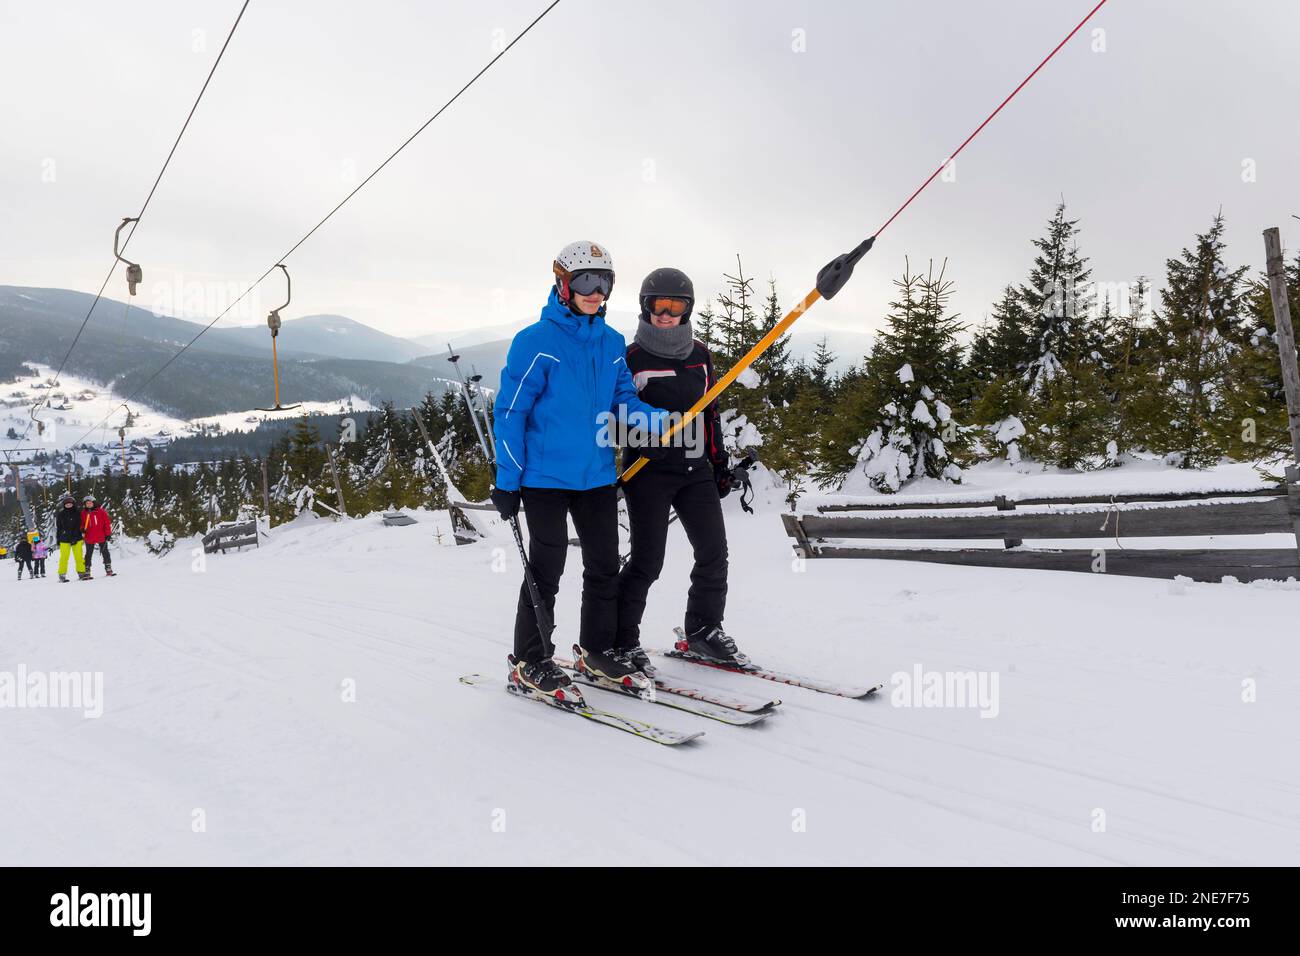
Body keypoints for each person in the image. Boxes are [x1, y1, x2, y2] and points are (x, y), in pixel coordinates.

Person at [491, 240, 667, 700]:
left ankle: (596, 649)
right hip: (544, 479)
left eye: (604, 282)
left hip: (595, 476)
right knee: (546, 569)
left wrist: (658, 421)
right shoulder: (536, 341)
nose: (595, 292)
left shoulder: (610, 343)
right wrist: (506, 480)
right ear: (563, 284)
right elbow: (510, 411)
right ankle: (530, 660)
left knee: (604, 567)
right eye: (585, 281)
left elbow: (622, 400)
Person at [615, 267, 746, 670]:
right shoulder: (631, 357)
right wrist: (640, 442)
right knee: (647, 560)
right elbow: (617, 412)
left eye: (676, 306)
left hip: (695, 470)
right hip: (648, 471)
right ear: (645, 307)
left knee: (713, 553)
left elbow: (710, 412)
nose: (666, 313)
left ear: (687, 310)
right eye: (659, 305)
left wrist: (719, 463)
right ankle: (621, 639)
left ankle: (703, 630)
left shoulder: (700, 355)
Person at [55, 492, 88, 582]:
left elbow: (79, 526)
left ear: (73, 504)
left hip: (76, 538)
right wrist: (58, 539)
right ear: (64, 505)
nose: (68, 505)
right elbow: (59, 528)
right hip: (64, 539)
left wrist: (76, 536)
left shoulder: (77, 513)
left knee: (79, 557)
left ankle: (81, 573)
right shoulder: (61, 514)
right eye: (67, 504)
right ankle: (62, 575)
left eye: (70, 503)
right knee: (64, 558)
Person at [81, 494, 115, 577]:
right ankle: (87, 569)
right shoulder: (83, 513)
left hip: (101, 536)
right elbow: (81, 523)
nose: (89, 504)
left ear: (94, 503)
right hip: (89, 536)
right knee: (88, 554)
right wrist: (82, 529)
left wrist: (108, 534)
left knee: (105, 552)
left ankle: (108, 567)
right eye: (87, 503)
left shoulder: (101, 511)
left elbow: (106, 523)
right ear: (85, 504)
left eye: (90, 503)